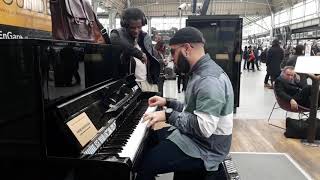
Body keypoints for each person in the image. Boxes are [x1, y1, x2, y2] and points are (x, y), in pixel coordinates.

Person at [135, 27, 234, 180]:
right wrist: (168, 103)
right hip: (196, 139)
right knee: (149, 139)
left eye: (173, 51)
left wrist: (167, 115)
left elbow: (204, 127)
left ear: (187, 48)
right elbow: (192, 110)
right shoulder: (200, 72)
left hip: (205, 149)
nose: (171, 58)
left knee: (144, 165)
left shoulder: (208, 80)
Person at [110, 8, 160, 92]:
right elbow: (116, 40)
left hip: (148, 83)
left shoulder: (144, 37)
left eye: (139, 27)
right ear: (125, 25)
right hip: (130, 87)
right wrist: (138, 53)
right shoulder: (117, 34)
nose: (136, 31)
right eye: (132, 28)